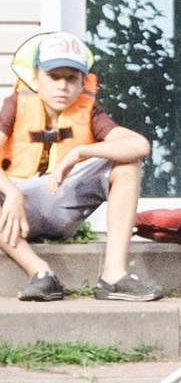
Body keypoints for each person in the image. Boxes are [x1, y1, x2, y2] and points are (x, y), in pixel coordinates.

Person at [0, 33, 161, 303]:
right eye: (54, 76)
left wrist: (80, 151)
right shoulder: (15, 106)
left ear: (82, 82)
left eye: (71, 78)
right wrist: (12, 194)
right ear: (37, 76)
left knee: (127, 164)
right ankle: (40, 273)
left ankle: (113, 276)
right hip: (17, 210)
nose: (63, 86)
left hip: (63, 204)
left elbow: (139, 144)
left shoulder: (91, 113)